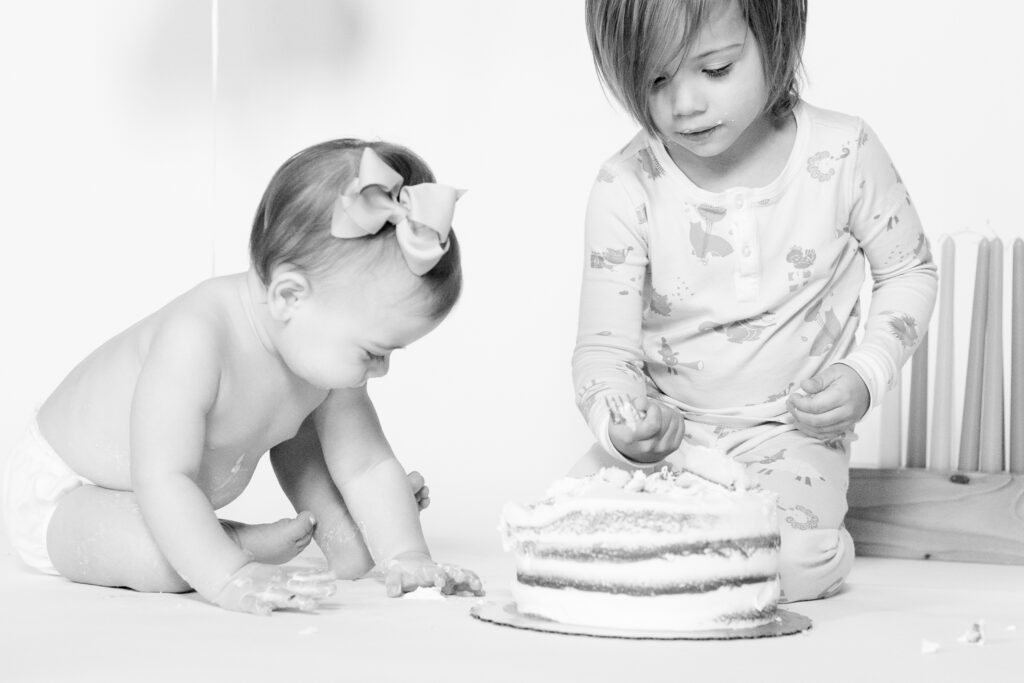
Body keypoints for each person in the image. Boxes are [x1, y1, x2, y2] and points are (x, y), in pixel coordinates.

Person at [1, 139, 483, 614]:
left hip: (168, 494)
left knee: (353, 524)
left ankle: (347, 534)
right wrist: (229, 576)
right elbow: (163, 477)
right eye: (373, 351)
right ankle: (232, 543)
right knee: (167, 564)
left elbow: (366, 465)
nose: (382, 369)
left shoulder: (318, 352)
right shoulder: (196, 337)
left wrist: (406, 552)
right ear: (290, 296)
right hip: (74, 492)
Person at [575, 0, 936, 601]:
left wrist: (865, 372)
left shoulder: (843, 153)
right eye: (655, 79)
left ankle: (738, 550)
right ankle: (690, 547)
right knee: (571, 539)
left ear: (777, 35)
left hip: (792, 435)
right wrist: (622, 429)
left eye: (715, 69)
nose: (683, 104)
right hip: (673, 438)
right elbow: (602, 351)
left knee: (788, 565)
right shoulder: (625, 184)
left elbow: (909, 271)